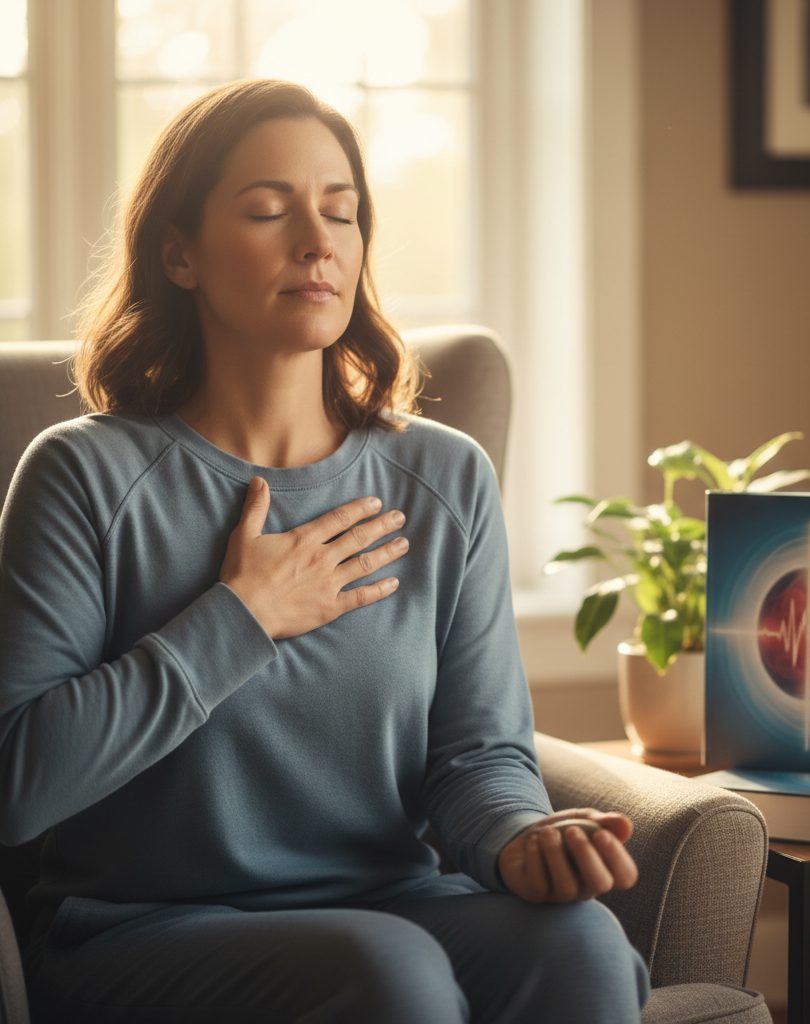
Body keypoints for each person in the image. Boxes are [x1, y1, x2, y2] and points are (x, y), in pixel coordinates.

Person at [0, 79, 650, 1023]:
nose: (318, 240)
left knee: (583, 943)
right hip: (143, 930)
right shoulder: (83, 476)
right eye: (269, 209)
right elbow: (19, 784)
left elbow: (477, 754)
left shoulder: (444, 475)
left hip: (394, 902)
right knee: (385, 971)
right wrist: (241, 619)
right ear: (178, 252)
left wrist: (520, 837)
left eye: (341, 212)